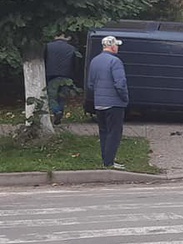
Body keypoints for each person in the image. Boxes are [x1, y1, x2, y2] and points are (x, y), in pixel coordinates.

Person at [87, 36, 129, 170]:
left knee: (104, 131)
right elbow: (120, 83)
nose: (117, 47)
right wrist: (125, 98)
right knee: (114, 132)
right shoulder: (115, 62)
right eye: (116, 45)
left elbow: (90, 84)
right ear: (112, 46)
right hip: (114, 103)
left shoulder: (94, 61)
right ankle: (109, 162)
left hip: (99, 103)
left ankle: (106, 160)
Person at [45, 34, 78, 125]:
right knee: (62, 97)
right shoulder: (72, 48)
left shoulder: (48, 46)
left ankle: (56, 111)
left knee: (52, 97)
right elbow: (75, 64)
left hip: (52, 76)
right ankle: (59, 115)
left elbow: (44, 60)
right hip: (67, 76)